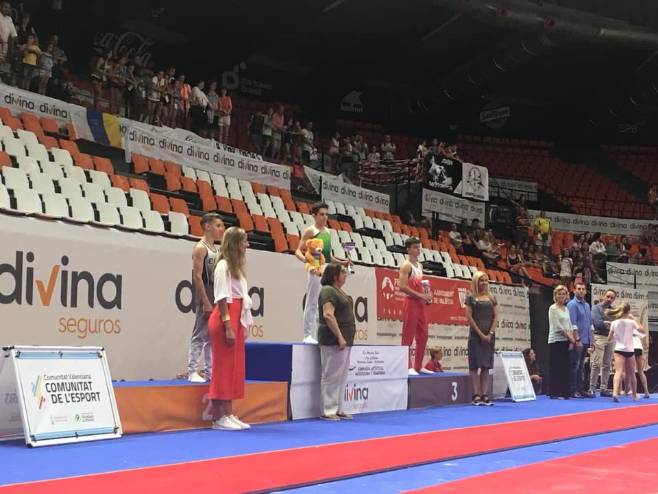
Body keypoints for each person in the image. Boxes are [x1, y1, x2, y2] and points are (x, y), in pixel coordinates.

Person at [208, 227, 253, 430]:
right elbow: (221, 297)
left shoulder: (237, 268)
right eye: (244, 241)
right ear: (235, 243)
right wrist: (228, 325)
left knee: (234, 368)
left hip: (236, 315)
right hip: (225, 316)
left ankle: (228, 413)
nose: (247, 245)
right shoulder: (223, 266)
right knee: (223, 368)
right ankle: (218, 417)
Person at [295, 202, 350, 344]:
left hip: (327, 268)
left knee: (323, 302)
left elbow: (328, 256)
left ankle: (318, 334)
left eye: (326, 214)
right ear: (314, 215)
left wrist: (342, 262)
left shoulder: (328, 232)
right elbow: (298, 251)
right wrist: (307, 262)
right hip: (315, 268)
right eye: (321, 214)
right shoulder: (310, 231)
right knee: (312, 301)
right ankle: (307, 334)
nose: (325, 217)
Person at [187, 213, 225, 383]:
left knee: (213, 335)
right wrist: (205, 301)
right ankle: (192, 371)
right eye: (218, 225)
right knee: (200, 333)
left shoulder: (217, 250)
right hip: (206, 293)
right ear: (207, 226)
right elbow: (197, 276)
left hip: (216, 293)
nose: (221, 229)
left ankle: (210, 371)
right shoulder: (200, 248)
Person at [318, 263, 356, 421]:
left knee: (342, 376)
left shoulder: (339, 291)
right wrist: (339, 336)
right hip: (333, 340)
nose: (345, 274)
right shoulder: (328, 290)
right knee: (331, 375)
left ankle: (339, 408)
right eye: (343, 272)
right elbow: (328, 315)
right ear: (335, 276)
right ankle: (328, 410)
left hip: (344, 340)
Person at [399, 237, 432, 375]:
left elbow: (420, 285)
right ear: (408, 249)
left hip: (420, 304)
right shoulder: (406, 266)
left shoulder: (420, 266)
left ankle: (418, 366)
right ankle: (407, 366)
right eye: (415, 247)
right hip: (411, 302)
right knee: (408, 335)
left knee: (423, 335)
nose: (418, 250)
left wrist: (427, 294)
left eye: (419, 247)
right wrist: (420, 295)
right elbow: (402, 286)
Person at [465, 271, 498, 406]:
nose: (484, 283)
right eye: (481, 280)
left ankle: (484, 394)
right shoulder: (471, 298)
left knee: (486, 366)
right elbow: (469, 317)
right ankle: (476, 395)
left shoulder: (492, 297)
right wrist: (480, 334)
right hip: (475, 336)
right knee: (474, 366)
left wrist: (490, 333)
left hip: (489, 336)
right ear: (476, 282)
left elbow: (496, 316)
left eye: (486, 280)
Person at [606, 303, 645, 402]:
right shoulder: (631, 322)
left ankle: (615, 393)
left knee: (618, 372)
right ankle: (634, 395)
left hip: (618, 349)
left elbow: (609, 338)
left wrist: (616, 336)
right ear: (628, 311)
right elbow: (642, 330)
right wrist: (634, 318)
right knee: (632, 373)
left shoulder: (614, 322)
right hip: (629, 350)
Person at [547, 285, 576, 399]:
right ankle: (555, 392)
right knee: (556, 367)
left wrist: (571, 341)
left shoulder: (566, 308)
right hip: (556, 340)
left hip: (566, 340)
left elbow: (569, 325)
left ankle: (565, 392)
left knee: (565, 367)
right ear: (555, 295)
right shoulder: (553, 308)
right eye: (559, 294)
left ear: (566, 296)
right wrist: (571, 338)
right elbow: (557, 326)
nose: (561, 296)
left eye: (563, 294)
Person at [567, 281, 593, 398]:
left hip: (586, 340)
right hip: (578, 341)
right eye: (579, 289)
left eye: (583, 289)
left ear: (586, 291)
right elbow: (572, 324)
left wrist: (591, 340)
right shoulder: (572, 305)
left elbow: (589, 324)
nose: (581, 291)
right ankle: (572, 390)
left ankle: (580, 389)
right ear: (574, 290)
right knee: (575, 366)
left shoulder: (587, 305)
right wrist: (577, 340)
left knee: (581, 367)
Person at [589, 289, 616, 397]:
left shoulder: (614, 310)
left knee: (607, 364)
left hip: (610, 338)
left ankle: (603, 389)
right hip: (599, 337)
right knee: (596, 363)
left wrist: (607, 324)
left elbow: (616, 324)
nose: (609, 299)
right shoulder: (596, 308)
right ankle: (592, 389)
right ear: (603, 296)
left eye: (612, 298)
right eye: (608, 296)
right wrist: (610, 324)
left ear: (614, 299)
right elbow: (597, 323)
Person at [633, 319, 650, 399]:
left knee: (631, 372)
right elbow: (643, 338)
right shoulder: (637, 330)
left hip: (631, 349)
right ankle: (646, 391)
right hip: (639, 348)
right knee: (640, 371)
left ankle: (633, 392)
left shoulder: (627, 328)